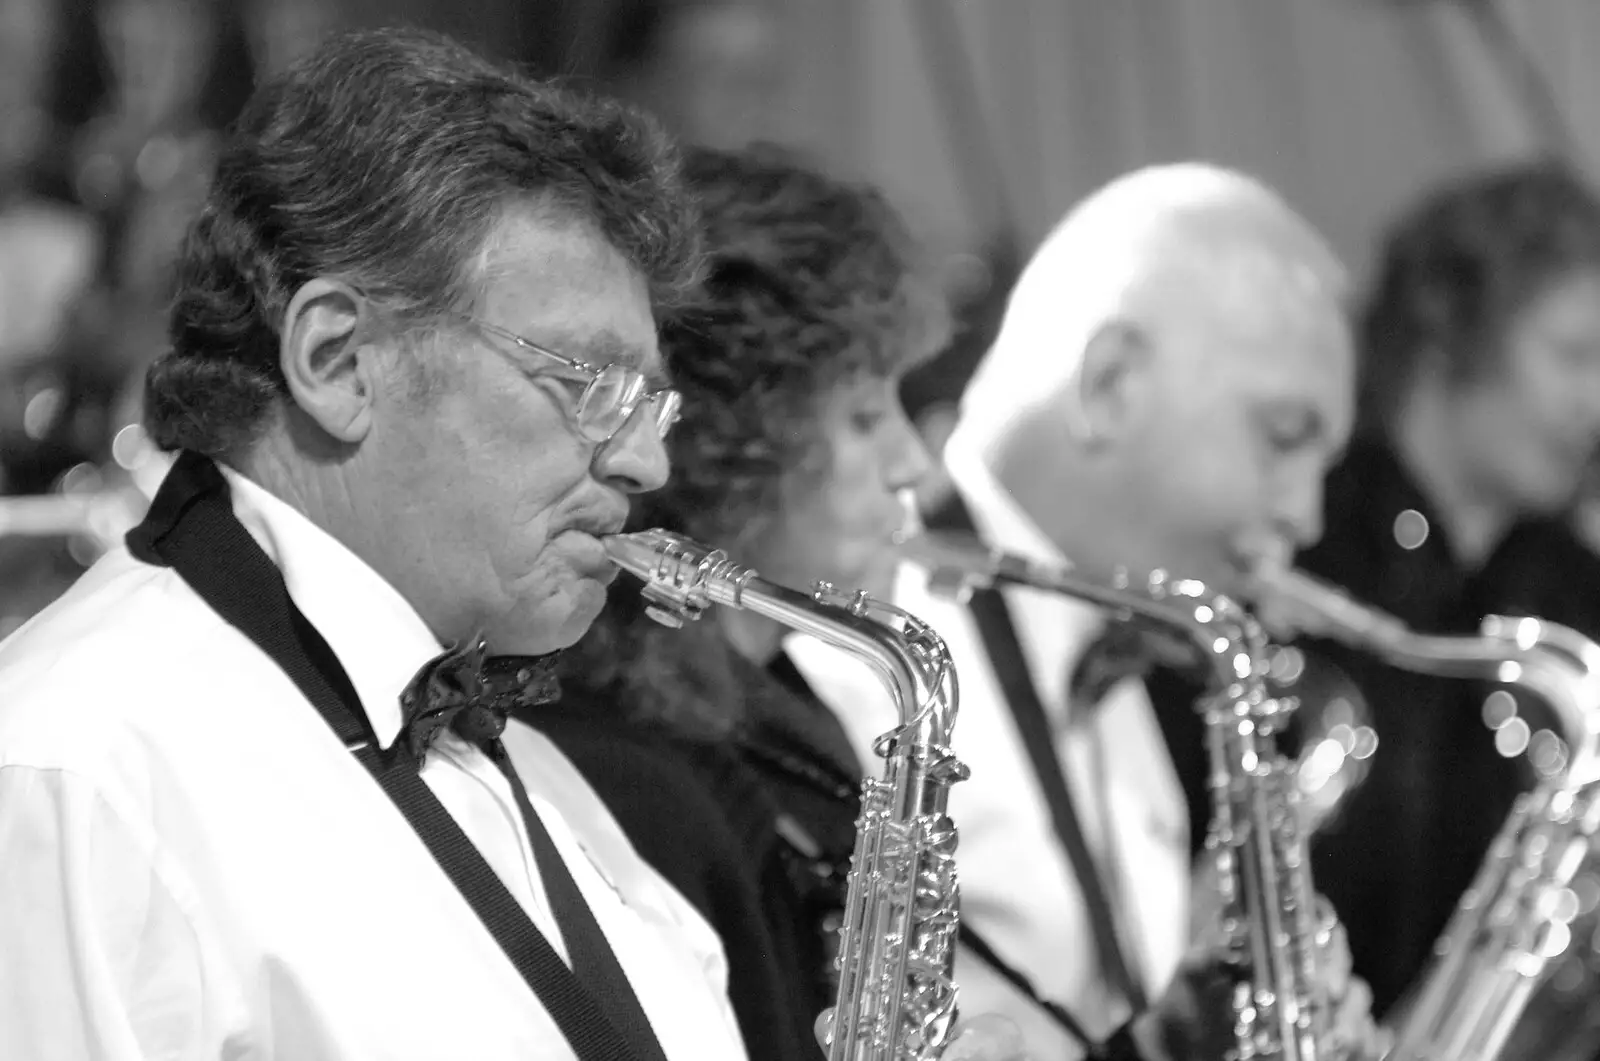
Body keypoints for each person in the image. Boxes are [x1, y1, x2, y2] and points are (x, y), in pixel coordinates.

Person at [0, 28, 747, 1061]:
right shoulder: (76, 769)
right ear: (339, 359)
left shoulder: (533, 769)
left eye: (651, 403)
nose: (647, 467)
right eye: (591, 386)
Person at [789, 163, 1383, 1059]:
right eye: (1283, 438)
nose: (1306, 516)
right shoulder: (862, 649)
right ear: (1109, 382)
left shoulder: (1120, 644)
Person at [527, 142, 950, 1061]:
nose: (915, 464)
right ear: (737, 447)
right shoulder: (635, 774)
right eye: (865, 416)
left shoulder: (782, 716)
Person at [1264, 164, 1600, 1020]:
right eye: (1573, 354)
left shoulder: (1569, 581)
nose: (1595, 401)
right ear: (1450, 333)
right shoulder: (1302, 543)